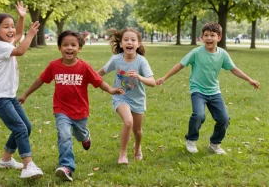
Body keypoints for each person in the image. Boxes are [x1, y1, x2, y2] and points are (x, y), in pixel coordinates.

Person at [18, 30, 125, 181]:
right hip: (61, 109)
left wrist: (111, 90)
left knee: (80, 134)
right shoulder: (54, 66)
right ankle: (67, 166)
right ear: (59, 48)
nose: (69, 48)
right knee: (64, 135)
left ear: (79, 48)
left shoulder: (84, 67)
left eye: (73, 45)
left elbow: (98, 81)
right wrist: (25, 94)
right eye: (65, 45)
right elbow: (41, 80)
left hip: (80, 111)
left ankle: (85, 136)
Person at [156, 22, 260, 155]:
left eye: (212, 35)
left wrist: (249, 79)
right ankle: (191, 140)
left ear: (219, 37)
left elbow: (233, 69)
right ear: (202, 37)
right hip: (198, 90)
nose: (209, 38)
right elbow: (180, 65)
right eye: (206, 35)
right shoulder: (196, 53)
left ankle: (214, 144)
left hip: (214, 91)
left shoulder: (222, 54)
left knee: (224, 119)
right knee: (199, 115)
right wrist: (164, 77)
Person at [0, 1, 43, 179]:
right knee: (20, 128)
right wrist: (31, 34)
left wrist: (21, 18)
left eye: (11, 26)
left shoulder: (5, 43)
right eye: (6, 27)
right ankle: (28, 165)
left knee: (25, 127)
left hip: (8, 96)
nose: (11, 30)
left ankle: (6, 159)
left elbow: (19, 34)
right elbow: (21, 49)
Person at [97, 27, 156, 164]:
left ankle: (137, 147)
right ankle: (123, 154)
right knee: (128, 121)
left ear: (138, 44)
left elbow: (152, 82)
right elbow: (100, 72)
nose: (129, 42)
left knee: (138, 131)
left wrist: (139, 77)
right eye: (126, 40)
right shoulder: (116, 59)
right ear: (121, 44)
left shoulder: (141, 61)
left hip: (138, 99)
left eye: (133, 40)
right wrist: (84, 76)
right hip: (120, 96)